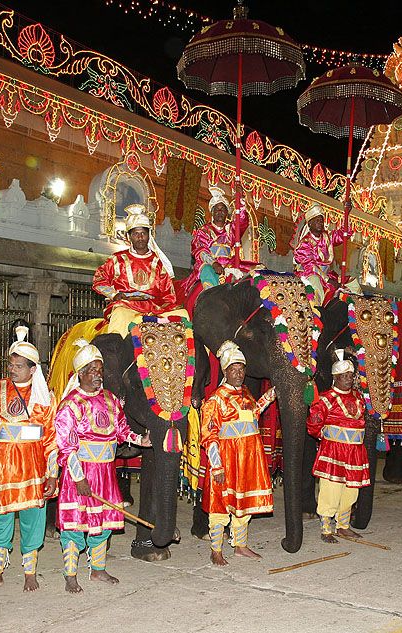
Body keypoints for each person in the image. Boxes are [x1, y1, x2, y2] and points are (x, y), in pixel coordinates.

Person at [54, 339, 152, 591]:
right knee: (76, 524)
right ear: (80, 374)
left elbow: (122, 430)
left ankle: (97, 570)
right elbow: (66, 447)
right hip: (81, 473)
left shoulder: (110, 399)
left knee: (103, 523)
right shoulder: (70, 405)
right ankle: (70, 574)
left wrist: (141, 440)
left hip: (106, 472)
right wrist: (79, 479)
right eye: (92, 370)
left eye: (100, 370)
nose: (98, 375)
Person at [0, 325, 57, 593]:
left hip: (32, 467)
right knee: (0, 518)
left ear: (33, 370)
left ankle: (30, 573)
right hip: (0, 467)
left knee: (33, 519)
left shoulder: (44, 397)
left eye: (19, 366)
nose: (12, 369)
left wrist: (53, 474)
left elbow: (51, 438)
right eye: (10, 365)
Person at [200, 340, 276, 565]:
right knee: (220, 505)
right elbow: (209, 435)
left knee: (244, 505)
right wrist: (217, 466)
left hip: (249, 458)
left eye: (241, 369)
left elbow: (253, 415)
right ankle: (216, 549)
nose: (239, 374)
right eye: (234, 369)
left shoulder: (247, 394)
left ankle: (240, 546)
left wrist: (270, 396)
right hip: (227, 459)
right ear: (225, 371)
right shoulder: (215, 400)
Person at [92, 204, 188, 336]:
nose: (140, 237)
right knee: (120, 314)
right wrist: (114, 294)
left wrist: (162, 307)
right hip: (126, 307)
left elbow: (169, 296)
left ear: (149, 235)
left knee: (183, 314)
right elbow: (99, 280)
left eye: (143, 233)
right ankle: (114, 346)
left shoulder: (158, 263)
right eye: (136, 234)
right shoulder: (117, 259)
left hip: (154, 310)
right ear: (129, 237)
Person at [307, 350, 370, 542]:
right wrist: (326, 437)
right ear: (335, 377)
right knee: (331, 490)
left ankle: (343, 526)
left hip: (355, 451)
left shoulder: (358, 398)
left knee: (351, 490)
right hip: (334, 451)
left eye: (351, 375)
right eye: (344, 376)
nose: (349, 379)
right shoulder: (326, 399)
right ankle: (326, 528)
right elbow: (313, 424)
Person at [183, 186, 252, 292]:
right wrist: (214, 263)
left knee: (257, 270)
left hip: (230, 265)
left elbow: (242, 221)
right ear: (212, 212)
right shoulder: (204, 230)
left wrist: (241, 200)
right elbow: (201, 250)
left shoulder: (231, 229)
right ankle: (210, 295)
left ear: (227, 213)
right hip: (210, 266)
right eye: (217, 209)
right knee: (207, 270)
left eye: (223, 209)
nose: (220, 212)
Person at [293, 203, 348, 306]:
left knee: (350, 282)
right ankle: (317, 310)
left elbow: (342, 234)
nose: (320, 223)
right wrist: (327, 279)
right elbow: (310, 266)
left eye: (322, 220)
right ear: (310, 224)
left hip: (326, 275)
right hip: (309, 274)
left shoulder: (327, 237)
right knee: (315, 280)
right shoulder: (305, 243)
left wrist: (347, 215)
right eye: (317, 221)